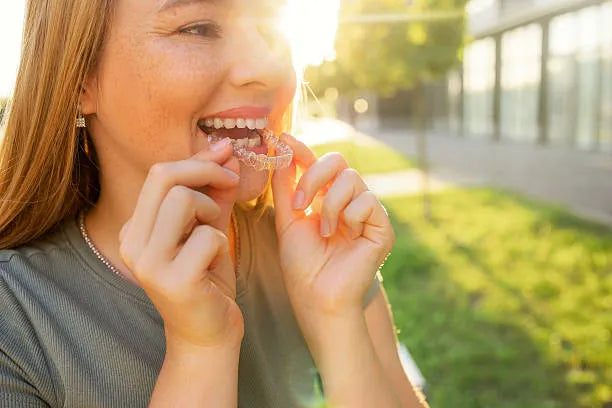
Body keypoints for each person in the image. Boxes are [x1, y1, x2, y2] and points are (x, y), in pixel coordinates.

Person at [0, 0, 429, 407]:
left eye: (269, 25)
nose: (268, 66)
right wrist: (199, 349)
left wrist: (336, 317)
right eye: (198, 28)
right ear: (79, 78)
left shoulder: (323, 252)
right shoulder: (14, 322)